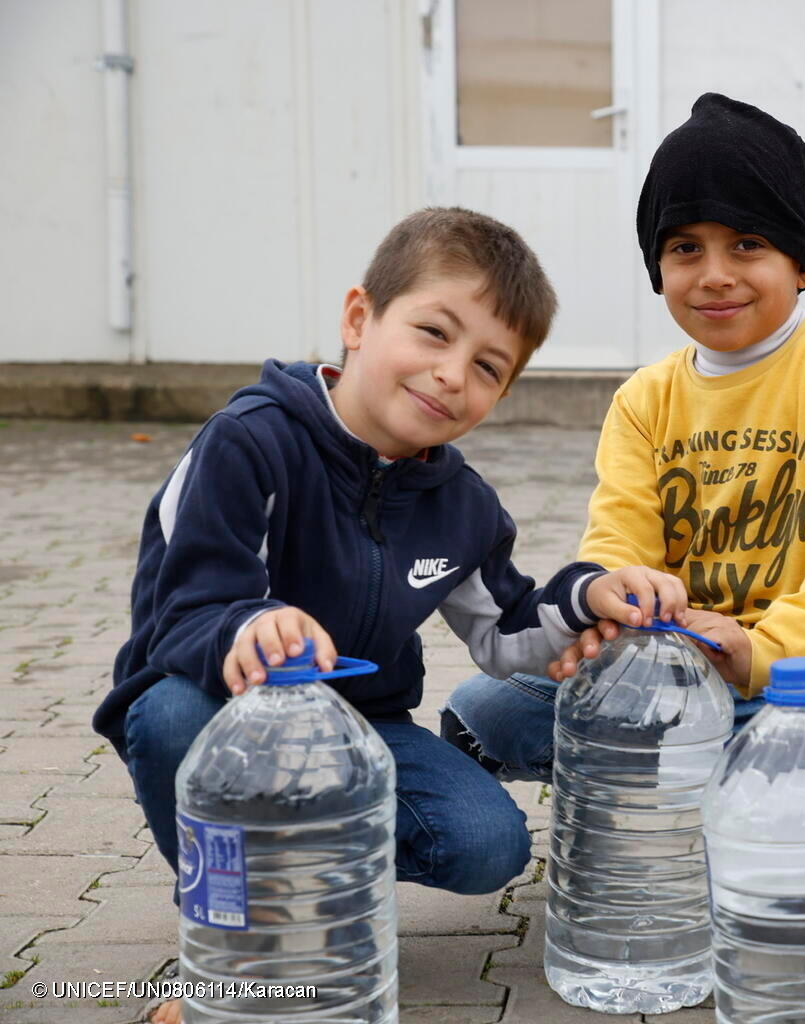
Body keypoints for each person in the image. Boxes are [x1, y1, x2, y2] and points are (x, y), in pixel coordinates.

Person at [90, 208, 684, 1024]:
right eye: (434, 333)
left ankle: (314, 879)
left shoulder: (459, 502)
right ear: (360, 318)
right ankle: (238, 936)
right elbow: (184, 609)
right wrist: (246, 626)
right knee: (165, 717)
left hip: (360, 727)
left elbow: (507, 631)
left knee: (487, 844)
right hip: (217, 708)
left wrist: (589, 596)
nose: (451, 375)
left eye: (488, 368)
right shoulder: (249, 443)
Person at [440, 92, 805, 769]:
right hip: (679, 672)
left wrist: (766, 649)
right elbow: (620, 541)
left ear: (801, 263)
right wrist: (610, 620)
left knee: (793, 756)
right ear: (658, 267)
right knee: (483, 713)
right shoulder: (647, 397)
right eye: (686, 248)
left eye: (749, 245)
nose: (716, 276)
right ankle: (724, 774)